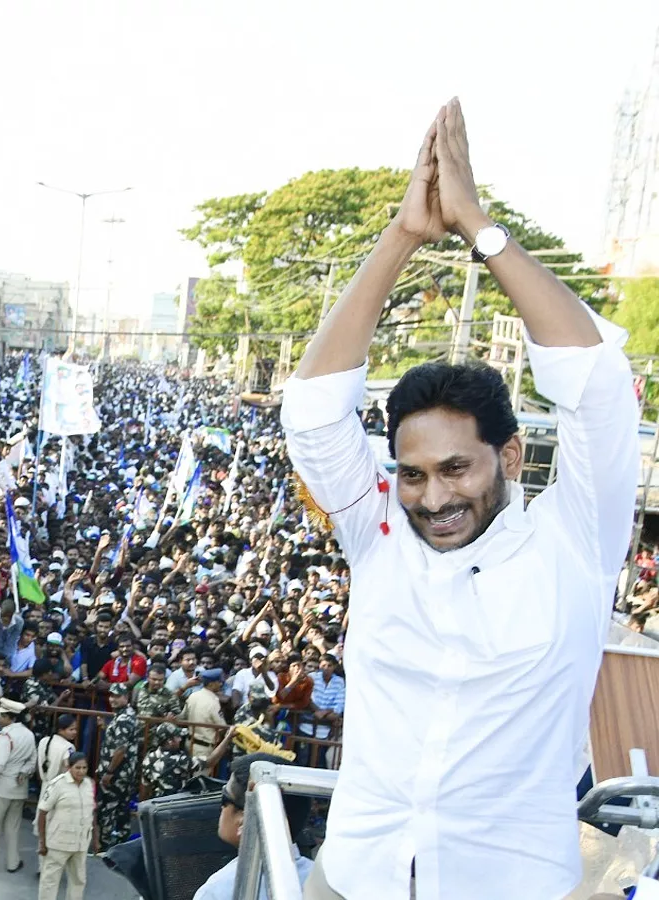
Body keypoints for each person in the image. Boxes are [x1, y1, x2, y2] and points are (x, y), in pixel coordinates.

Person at [283, 99, 639, 900]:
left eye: (457, 469)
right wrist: (403, 235)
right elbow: (310, 410)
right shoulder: (377, 534)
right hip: (355, 876)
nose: (433, 497)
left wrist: (479, 225)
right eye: (412, 473)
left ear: (510, 455)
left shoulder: (574, 543)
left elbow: (599, 384)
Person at [192, 753, 313, 900]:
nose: (221, 808)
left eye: (225, 798)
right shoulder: (320, 880)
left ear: (245, 819)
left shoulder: (217, 891)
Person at [0, 699, 36, 873]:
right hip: (19, 787)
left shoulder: (5, 736)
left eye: (1, 715)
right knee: (13, 827)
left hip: (0, 787)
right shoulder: (28, 734)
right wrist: (23, 773)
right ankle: (13, 862)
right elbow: (32, 761)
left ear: (9, 717)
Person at [36, 751, 97, 900]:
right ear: (69, 767)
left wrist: (95, 839)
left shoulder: (89, 784)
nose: (81, 771)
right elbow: (42, 813)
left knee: (78, 880)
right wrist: (43, 843)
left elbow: (92, 812)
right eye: (77, 767)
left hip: (80, 842)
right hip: (59, 842)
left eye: (84, 768)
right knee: (50, 880)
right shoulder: (58, 784)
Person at [95, 684, 139, 850]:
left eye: (117, 696)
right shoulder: (125, 715)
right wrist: (104, 728)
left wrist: (109, 772)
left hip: (117, 774)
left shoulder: (123, 719)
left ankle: (105, 846)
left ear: (126, 697)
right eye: (111, 695)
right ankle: (121, 845)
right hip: (124, 773)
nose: (112, 699)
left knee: (107, 809)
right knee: (122, 809)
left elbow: (120, 750)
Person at [182, 667, 226, 759]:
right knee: (202, 773)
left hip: (189, 743)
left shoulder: (193, 696)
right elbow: (222, 727)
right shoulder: (213, 701)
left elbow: (183, 717)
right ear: (211, 684)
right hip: (203, 748)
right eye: (218, 682)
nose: (220, 684)